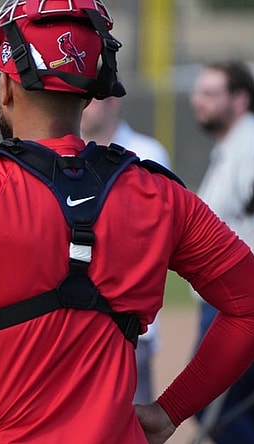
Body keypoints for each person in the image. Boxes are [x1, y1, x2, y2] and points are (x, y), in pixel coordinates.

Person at [0, 1, 254, 444]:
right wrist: (172, 410)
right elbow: (251, 305)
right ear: (92, 89)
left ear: (7, 90)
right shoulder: (161, 193)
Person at [81, 95, 171, 406]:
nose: (84, 104)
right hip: (77, 327)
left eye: (93, 98)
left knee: (133, 425)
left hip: (132, 328)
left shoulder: (147, 153)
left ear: (114, 102)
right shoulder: (63, 154)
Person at [189, 60, 254, 443]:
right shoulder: (233, 147)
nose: (198, 101)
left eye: (211, 94)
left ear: (240, 99)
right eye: (198, 92)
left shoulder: (252, 145)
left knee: (209, 403)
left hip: (236, 303)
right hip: (229, 300)